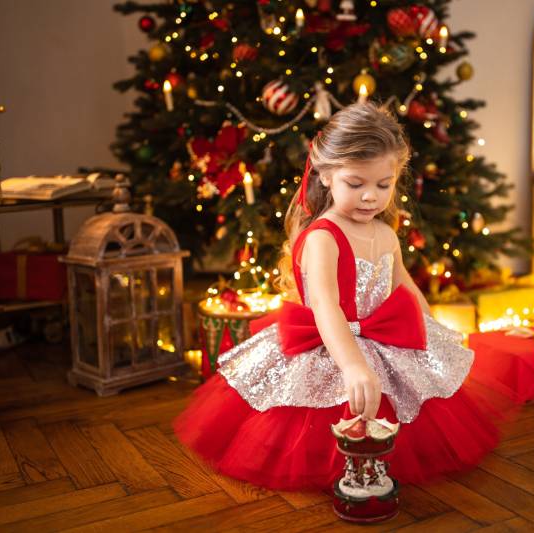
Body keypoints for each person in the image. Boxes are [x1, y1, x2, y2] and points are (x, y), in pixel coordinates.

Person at [174, 102, 514, 491]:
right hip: (331, 345)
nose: (371, 197)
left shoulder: (386, 233)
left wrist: (431, 330)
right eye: (356, 184)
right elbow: (325, 307)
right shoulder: (323, 237)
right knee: (329, 415)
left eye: (383, 185)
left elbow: (404, 284)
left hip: (385, 343)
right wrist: (353, 365)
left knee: (405, 414)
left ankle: (376, 472)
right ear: (325, 175)